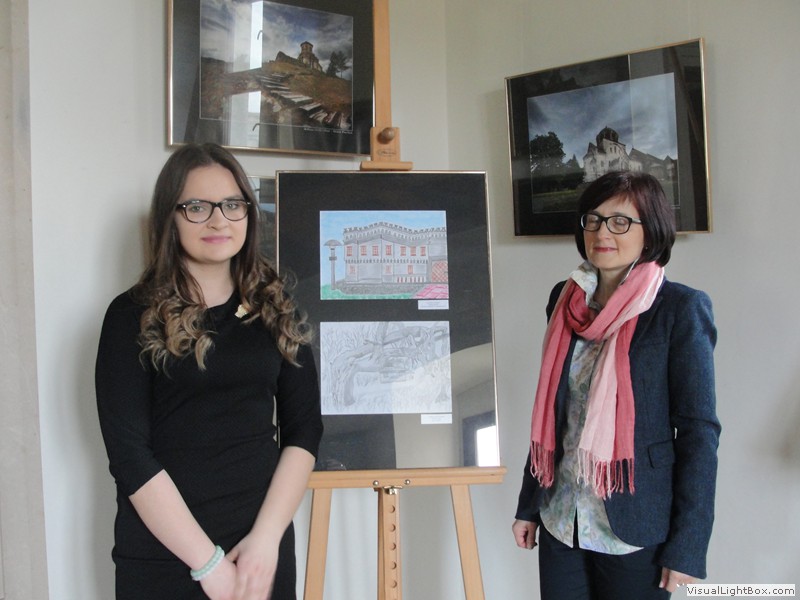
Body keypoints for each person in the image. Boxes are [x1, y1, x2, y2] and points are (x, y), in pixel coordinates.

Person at [96, 143, 323, 600]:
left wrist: (267, 540)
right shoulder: (130, 315)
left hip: (258, 551)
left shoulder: (277, 310)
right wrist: (208, 565)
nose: (219, 221)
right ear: (170, 218)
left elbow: (304, 430)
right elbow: (129, 455)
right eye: (197, 207)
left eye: (233, 205)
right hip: (165, 552)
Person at [512, 171, 720, 599]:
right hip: (562, 518)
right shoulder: (564, 300)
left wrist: (689, 546)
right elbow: (556, 414)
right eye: (593, 219)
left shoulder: (679, 309)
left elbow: (699, 432)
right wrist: (529, 505)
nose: (602, 232)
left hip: (635, 525)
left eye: (620, 221)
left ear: (651, 231)